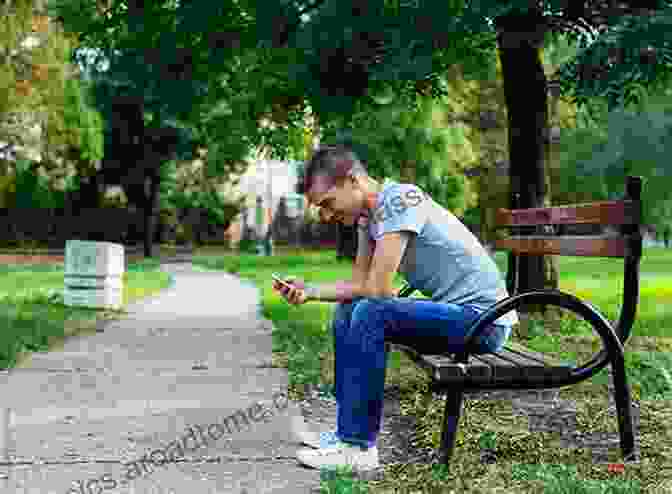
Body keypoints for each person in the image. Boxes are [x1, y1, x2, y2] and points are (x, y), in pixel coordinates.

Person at [272, 144, 519, 472]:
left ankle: (358, 447)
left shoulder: (400, 199)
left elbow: (379, 290)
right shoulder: (368, 220)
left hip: (484, 321)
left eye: (329, 203)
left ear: (354, 180)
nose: (327, 216)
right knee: (350, 310)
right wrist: (310, 290)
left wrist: (331, 293)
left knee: (372, 311)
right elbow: (361, 284)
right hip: (459, 316)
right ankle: (347, 433)